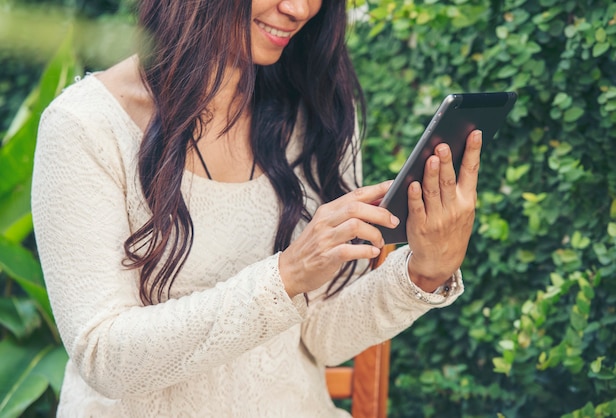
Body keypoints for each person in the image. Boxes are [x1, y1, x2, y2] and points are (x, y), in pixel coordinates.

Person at [31, 0, 482, 416]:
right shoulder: (85, 127)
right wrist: (286, 276)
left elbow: (320, 338)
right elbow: (103, 356)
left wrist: (425, 272)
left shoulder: (317, 115)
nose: (298, 9)